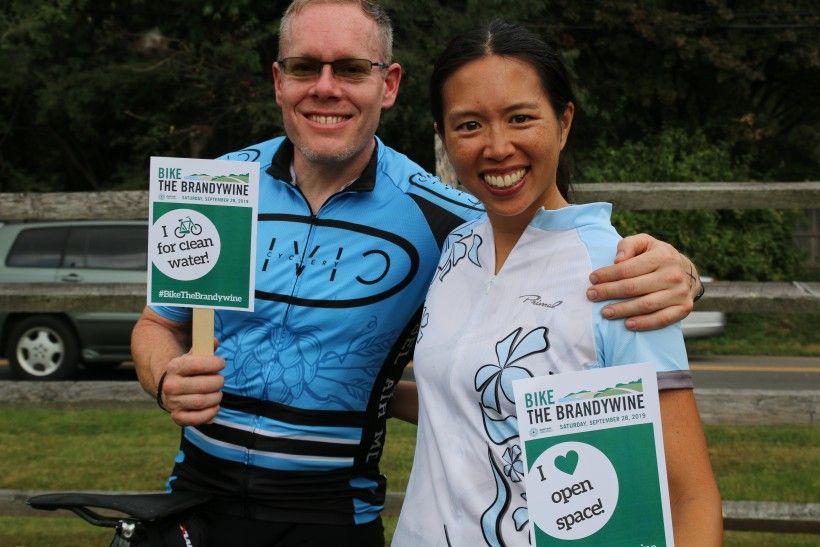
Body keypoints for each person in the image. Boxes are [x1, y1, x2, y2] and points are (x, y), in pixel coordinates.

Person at [131, 2, 705, 545]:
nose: (325, 87)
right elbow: (157, 324)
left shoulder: (446, 222)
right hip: (194, 502)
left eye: (352, 69)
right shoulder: (218, 184)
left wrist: (682, 275)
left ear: (389, 84)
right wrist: (164, 377)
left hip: (330, 516)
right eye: (306, 67)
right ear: (279, 80)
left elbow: (542, 247)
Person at [390, 20, 722, 546]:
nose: (497, 147)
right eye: (469, 125)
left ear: (564, 122)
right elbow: (463, 396)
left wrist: (688, 275)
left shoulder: (622, 276)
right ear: (442, 137)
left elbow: (692, 499)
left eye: (521, 118)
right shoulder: (455, 249)